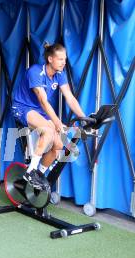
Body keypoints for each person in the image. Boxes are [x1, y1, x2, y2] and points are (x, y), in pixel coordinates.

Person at [12, 43, 85, 189]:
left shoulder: (60, 74)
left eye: (65, 59)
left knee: (59, 144)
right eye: (60, 59)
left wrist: (84, 118)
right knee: (49, 131)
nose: (64, 63)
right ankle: (30, 172)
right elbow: (43, 101)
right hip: (22, 107)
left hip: (39, 111)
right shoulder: (35, 71)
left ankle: (38, 176)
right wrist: (57, 123)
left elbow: (70, 98)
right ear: (50, 59)